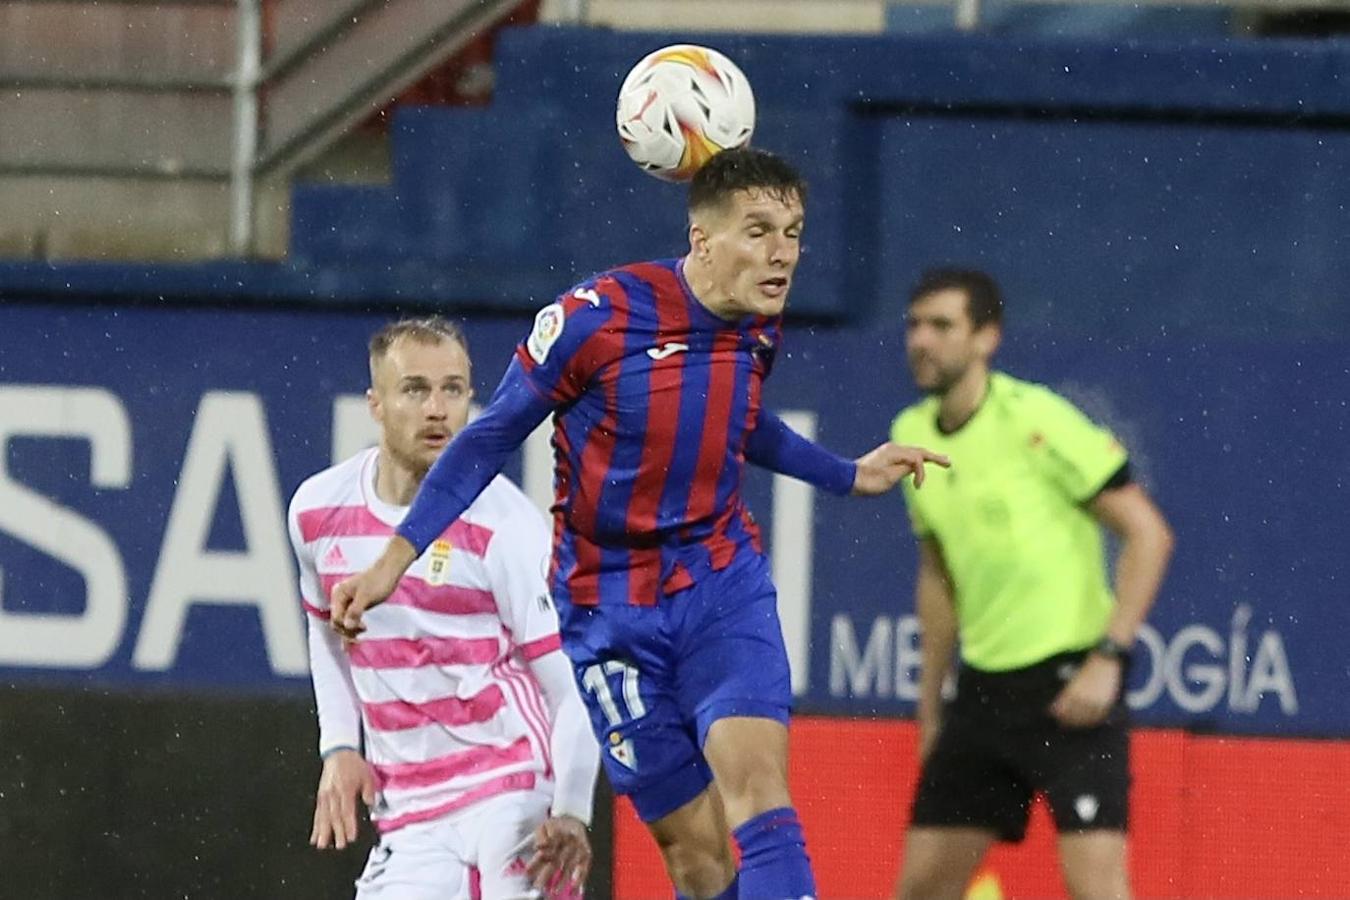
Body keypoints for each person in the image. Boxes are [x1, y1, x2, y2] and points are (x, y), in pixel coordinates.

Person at [328, 148, 949, 899]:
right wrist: (395, 557)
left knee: (757, 787)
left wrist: (846, 473)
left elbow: (737, 421)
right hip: (607, 610)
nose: (781, 252)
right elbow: (488, 438)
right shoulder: (595, 320)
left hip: (720, 584)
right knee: (696, 857)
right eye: (758, 231)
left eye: (792, 231)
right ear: (702, 240)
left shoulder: (758, 325)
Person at [287, 317, 599, 899]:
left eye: (453, 389)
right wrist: (340, 747)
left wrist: (572, 809)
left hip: (510, 784)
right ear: (375, 405)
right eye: (416, 390)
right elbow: (325, 629)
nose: (438, 409)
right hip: (408, 809)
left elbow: (569, 686)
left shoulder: (505, 525)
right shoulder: (317, 510)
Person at [889, 269, 1175, 900]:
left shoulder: (1035, 418)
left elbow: (1148, 534)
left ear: (986, 338)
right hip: (984, 695)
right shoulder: (910, 435)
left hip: (1071, 688)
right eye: (913, 325)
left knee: (1097, 890)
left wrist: (1109, 658)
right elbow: (938, 576)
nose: (921, 341)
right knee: (920, 890)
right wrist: (932, 706)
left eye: (941, 325)